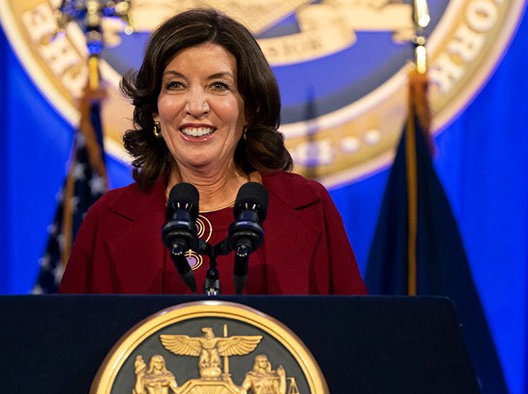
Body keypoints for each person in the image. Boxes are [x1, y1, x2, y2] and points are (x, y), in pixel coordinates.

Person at [59, 8, 367, 295]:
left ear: (250, 108)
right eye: (176, 85)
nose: (195, 107)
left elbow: (351, 341)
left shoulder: (308, 208)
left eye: (218, 86)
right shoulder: (110, 219)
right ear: (155, 111)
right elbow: (72, 345)